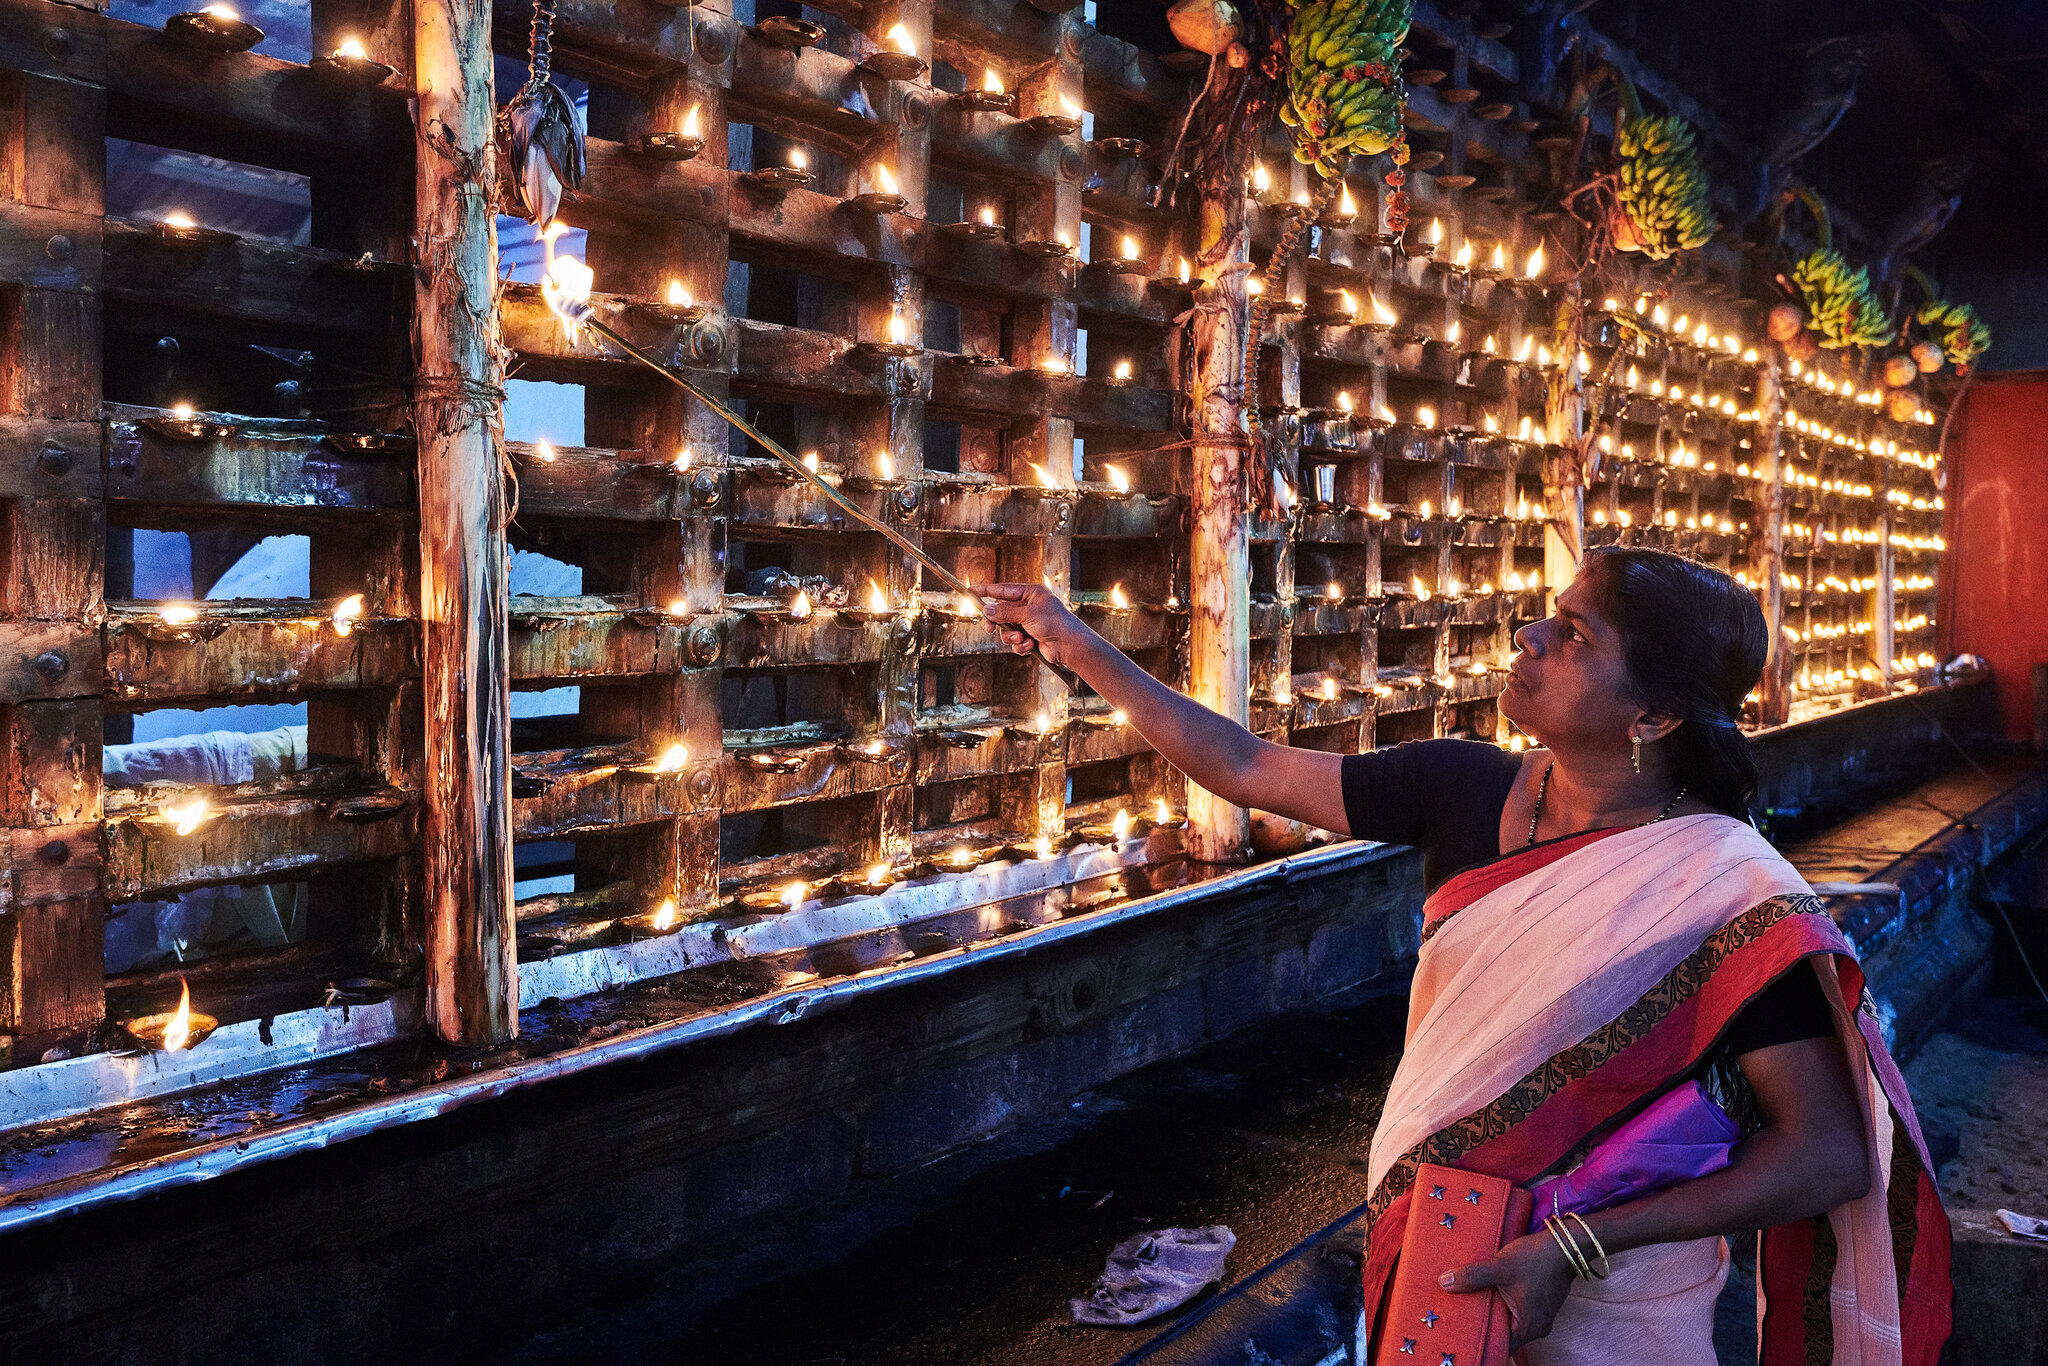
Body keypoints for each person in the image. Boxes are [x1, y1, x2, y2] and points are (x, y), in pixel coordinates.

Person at [980, 546, 1950, 1365]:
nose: (1528, 636)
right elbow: (1241, 765)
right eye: (1547, 616)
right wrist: (1070, 640)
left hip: (1620, 1312)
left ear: (1652, 718)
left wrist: (1573, 1244)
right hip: (1438, 1267)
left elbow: (1823, 1153)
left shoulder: (1719, 893)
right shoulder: (1459, 786)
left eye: (1573, 635)